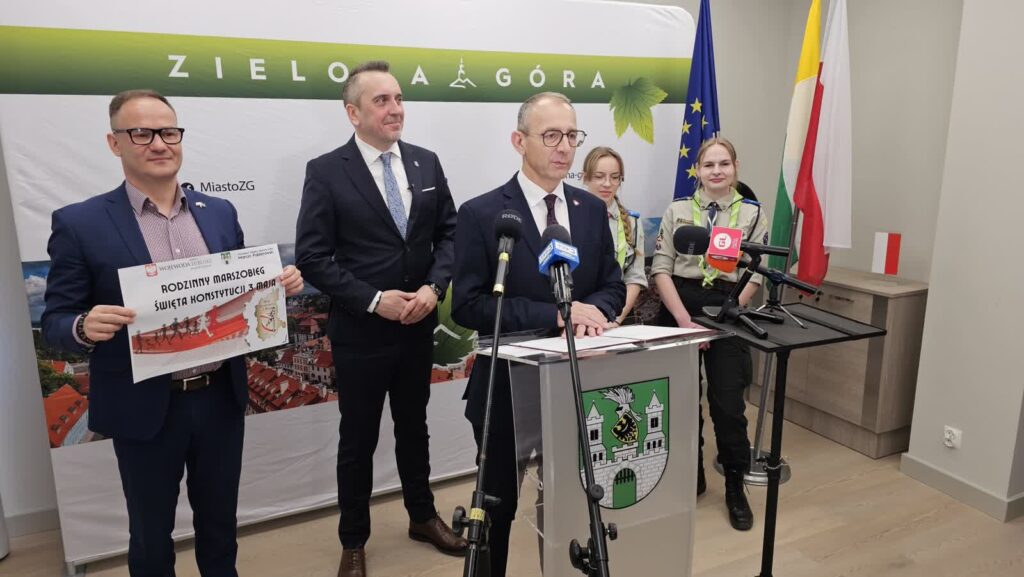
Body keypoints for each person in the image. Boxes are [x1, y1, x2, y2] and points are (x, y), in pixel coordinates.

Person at [40, 89, 304, 576]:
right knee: (150, 535)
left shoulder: (219, 212)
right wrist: (82, 325)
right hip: (144, 406)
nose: (159, 143)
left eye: (168, 131)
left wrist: (277, 286)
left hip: (219, 398)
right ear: (115, 143)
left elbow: (241, 294)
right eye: (141, 133)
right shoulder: (80, 223)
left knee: (221, 526)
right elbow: (55, 320)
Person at [294, 60, 465, 577]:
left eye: (398, 98)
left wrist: (433, 289)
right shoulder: (326, 171)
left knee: (415, 429)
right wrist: (373, 300)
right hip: (361, 332)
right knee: (359, 440)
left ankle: (422, 517)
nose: (396, 109)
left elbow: (450, 234)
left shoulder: (426, 163)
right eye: (382, 101)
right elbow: (313, 257)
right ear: (353, 113)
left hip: (417, 326)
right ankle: (353, 541)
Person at [452, 92, 626, 577]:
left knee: (573, 500)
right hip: (506, 388)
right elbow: (469, 304)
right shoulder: (483, 213)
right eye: (551, 135)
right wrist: (557, 314)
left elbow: (611, 285)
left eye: (571, 135)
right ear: (519, 140)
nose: (564, 147)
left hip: (578, 384)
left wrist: (595, 312)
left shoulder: (589, 209)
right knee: (497, 508)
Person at [650, 136, 768, 531]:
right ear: (697, 170)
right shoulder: (678, 210)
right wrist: (684, 320)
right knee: (680, 402)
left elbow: (755, 273)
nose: (716, 171)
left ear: (735, 167)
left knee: (728, 404)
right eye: (708, 165)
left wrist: (726, 313)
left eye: (724, 164)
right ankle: (691, 476)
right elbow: (661, 268)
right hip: (680, 306)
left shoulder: (752, 213)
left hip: (728, 307)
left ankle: (734, 483)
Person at [581, 146, 648, 325]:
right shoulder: (570, 216)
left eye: (614, 177)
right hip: (580, 314)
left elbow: (634, 277)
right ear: (585, 177)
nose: (607, 183)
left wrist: (616, 319)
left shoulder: (632, 221)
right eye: (599, 176)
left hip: (618, 313)